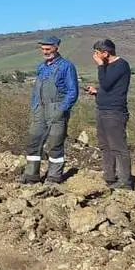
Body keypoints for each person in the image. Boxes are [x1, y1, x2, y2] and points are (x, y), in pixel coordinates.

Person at [19, 36, 80, 184]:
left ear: (56, 47)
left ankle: (54, 177)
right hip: (40, 109)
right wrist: (34, 105)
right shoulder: (41, 67)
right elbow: (36, 89)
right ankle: (31, 176)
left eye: (48, 49)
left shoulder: (67, 66)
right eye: (43, 49)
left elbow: (73, 91)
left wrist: (61, 109)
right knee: (34, 141)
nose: (45, 52)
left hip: (56, 108)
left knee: (55, 143)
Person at [85, 38, 133, 190]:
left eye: (97, 53)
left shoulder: (121, 65)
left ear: (105, 53)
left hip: (114, 112)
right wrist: (96, 92)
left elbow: (106, 83)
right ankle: (109, 177)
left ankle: (125, 182)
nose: (95, 56)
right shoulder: (108, 66)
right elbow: (108, 88)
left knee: (118, 147)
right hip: (102, 109)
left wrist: (100, 66)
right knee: (105, 146)